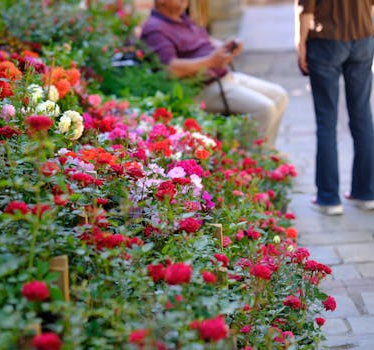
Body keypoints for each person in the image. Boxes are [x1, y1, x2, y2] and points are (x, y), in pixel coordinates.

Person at [140, 0, 288, 150]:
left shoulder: (182, 17)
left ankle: (267, 152)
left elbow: (204, 41)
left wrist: (226, 46)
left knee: (279, 95)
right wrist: (210, 61)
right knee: (264, 109)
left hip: (224, 76)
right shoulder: (155, 28)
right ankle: (250, 160)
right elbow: (170, 68)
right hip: (201, 88)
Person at [297, 0, 374, 215]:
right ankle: (366, 193)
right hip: (363, 36)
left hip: (326, 40)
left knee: (326, 121)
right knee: (362, 116)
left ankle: (329, 199)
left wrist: (300, 42)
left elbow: (306, 9)